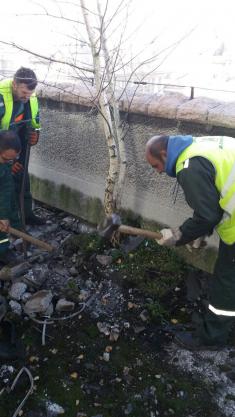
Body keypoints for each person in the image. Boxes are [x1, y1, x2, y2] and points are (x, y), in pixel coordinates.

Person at [145, 134, 235, 349]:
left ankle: (212, 339)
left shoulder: (188, 166)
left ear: (165, 154)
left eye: (156, 165)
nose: (157, 171)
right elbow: (217, 194)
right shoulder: (201, 144)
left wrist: (178, 236)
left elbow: (207, 215)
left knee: (226, 283)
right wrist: (200, 233)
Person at [0, 67, 45, 225]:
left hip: (19, 142)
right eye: (24, 93)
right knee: (6, 186)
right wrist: (5, 161)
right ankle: (11, 222)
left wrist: (36, 134)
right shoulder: (1, 96)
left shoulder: (30, 96)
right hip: (2, 150)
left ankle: (27, 215)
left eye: (30, 93)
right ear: (14, 84)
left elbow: (35, 120)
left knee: (23, 179)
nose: (27, 97)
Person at [0, 130, 22, 264]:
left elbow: (5, 192)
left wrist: (3, 216)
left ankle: (3, 249)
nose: (9, 162)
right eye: (5, 159)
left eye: (12, 159)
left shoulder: (5, 167)